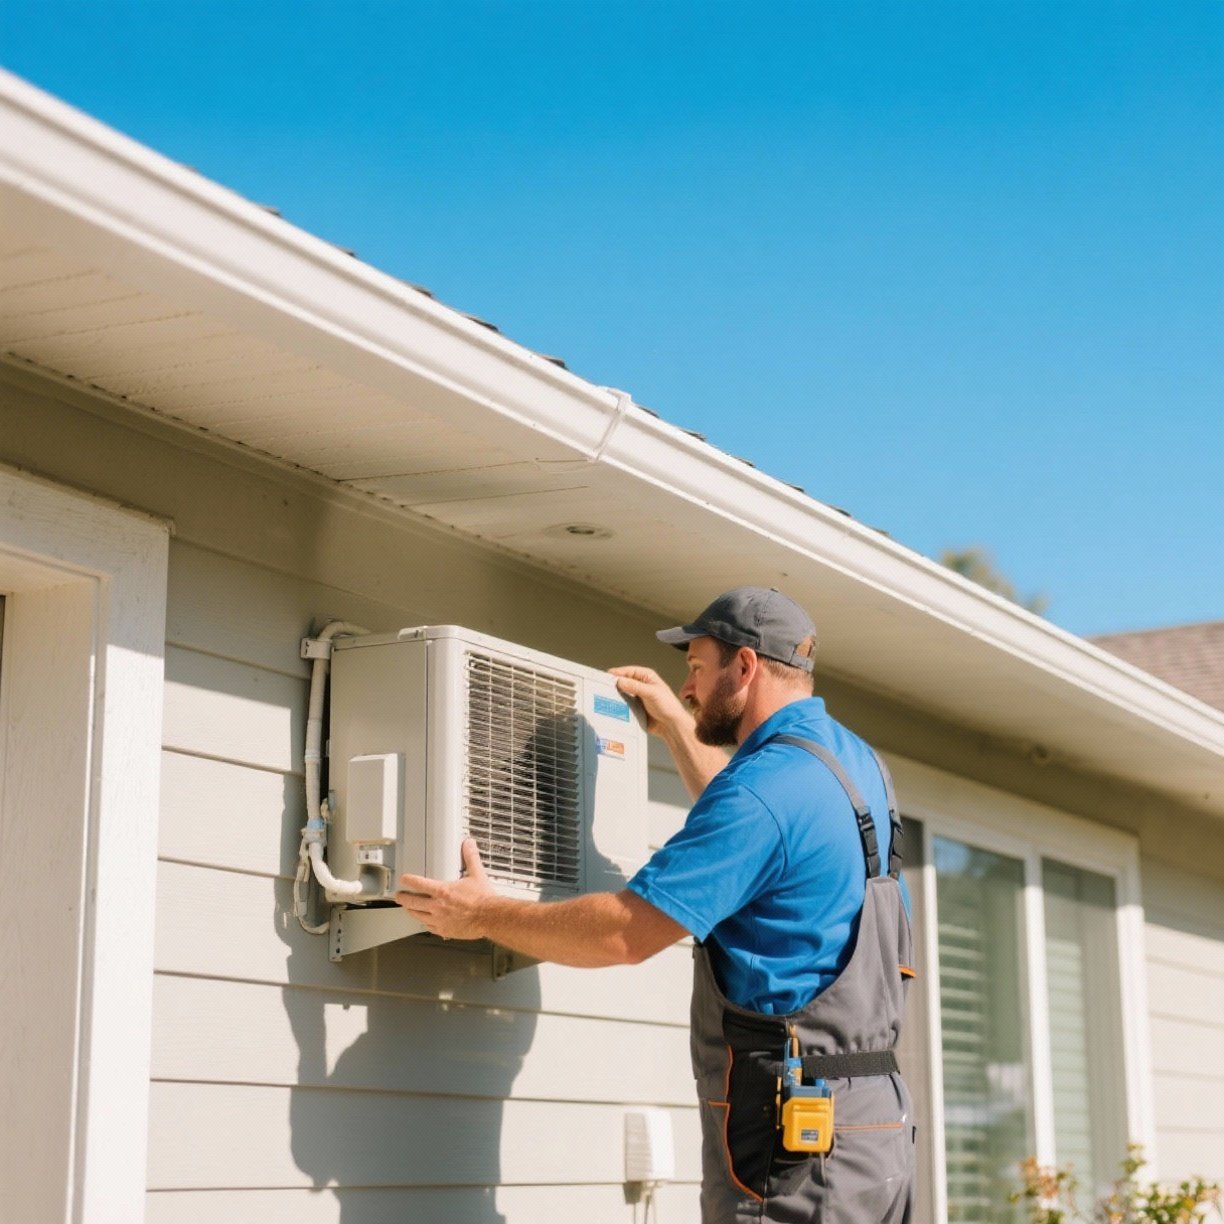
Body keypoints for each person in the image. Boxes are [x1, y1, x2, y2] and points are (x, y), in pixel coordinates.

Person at [396, 587, 916, 1223]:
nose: (689, 686)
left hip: (797, 1146)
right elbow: (758, 840)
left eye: (697, 667)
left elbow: (625, 934)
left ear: (745, 667)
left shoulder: (763, 792)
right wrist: (676, 725)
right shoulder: (854, 763)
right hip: (875, 1128)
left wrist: (479, 914)